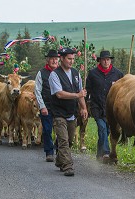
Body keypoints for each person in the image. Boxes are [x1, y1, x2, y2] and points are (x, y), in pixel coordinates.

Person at [48, 47, 87, 176]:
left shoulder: (76, 73)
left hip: (71, 113)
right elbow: (59, 94)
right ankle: (67, 166)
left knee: (69, 140)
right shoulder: (54, 74)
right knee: (63, 140)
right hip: (58, 113)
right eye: (69, 59)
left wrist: (83, 108)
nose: (71, 61)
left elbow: (81, 92)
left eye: (73, 59)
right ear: (62, 59)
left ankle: (60, 160)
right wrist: (77, 95)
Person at [86, 50, 123, 163]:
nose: (106, 62)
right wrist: (84, 105)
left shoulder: (118, 74)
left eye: (108, 59)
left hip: (111, 109)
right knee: (102, 128)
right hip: (96, 106)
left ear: (110, 60)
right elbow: (88, 90)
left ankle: (99, 154)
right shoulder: (92, 73)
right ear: (100, 61)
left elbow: (122, 91)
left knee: (106, 131)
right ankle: (107, 153)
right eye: (103, 59)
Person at [35, 49, 59, 162]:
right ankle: (49, 152)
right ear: (47, 60)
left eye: (56, 59)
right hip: (47, 106)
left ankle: (60, 149)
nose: (54, 61)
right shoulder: (41, 73)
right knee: (47, 129)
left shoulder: (61, 72)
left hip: (60, 106)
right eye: (52, 59)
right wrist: (42, 106)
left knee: (61, 130)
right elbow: (37, 91)